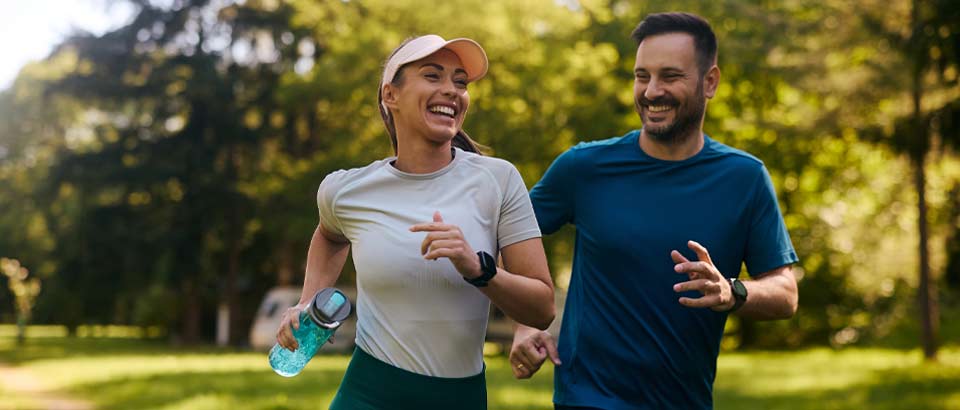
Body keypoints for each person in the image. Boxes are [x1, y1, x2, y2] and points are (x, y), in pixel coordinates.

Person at [509, 12, 800, 410]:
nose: (651, 91)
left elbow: (785, 293)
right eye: (641, 75)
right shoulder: (584, 167)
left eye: (670, 76)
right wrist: (526, 323)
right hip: (587, 397)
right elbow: (510, 237)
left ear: (709, 82)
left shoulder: (744, 178)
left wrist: (732, 290)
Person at [275, 35, 556, 409]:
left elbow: (542, 307)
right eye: (433, 76)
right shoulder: (346, 190)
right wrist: (307, 301)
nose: (451, 91)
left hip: (460, 398)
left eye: (460, 82)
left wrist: (478, 268)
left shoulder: (498, 180)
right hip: (368, 394)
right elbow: (330, 235)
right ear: (391, 95)